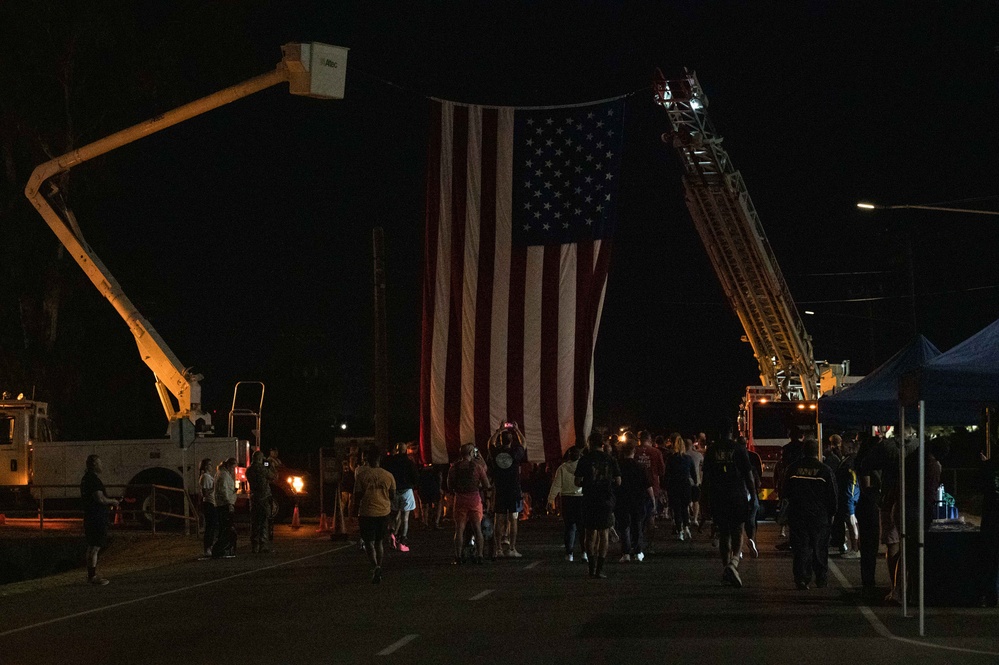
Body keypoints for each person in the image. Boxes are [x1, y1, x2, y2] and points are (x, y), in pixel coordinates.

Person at [784, 437, 837, 590]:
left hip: (798, 514)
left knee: (801, 548)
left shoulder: (793, 469)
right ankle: (821, 578)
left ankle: (801, 578)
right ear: (817, 452)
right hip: (819, 516)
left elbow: (785, 491)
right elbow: (833, 495)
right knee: (820, 548)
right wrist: (832, 513)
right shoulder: (825, 470)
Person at [702, 432, 755, 588]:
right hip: (737, 494)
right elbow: (748, 475)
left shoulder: (712, 450)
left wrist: (704, 500)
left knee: (724, 532)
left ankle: (726, 568)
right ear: (731, 431)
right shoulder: (739, 449)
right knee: (738, 530)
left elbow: (706, 478)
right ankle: (734, 562)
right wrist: (753, 495)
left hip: (718, 495)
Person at [575, 430, 621, 579]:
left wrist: (586, 482)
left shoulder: (585, 459)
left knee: (590, 534)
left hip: (589, 499)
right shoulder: (610, 459)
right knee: (604, 533)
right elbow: (619, 480)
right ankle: (600, 568)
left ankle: (591, 568)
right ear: (602, 444)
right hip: (606, 499)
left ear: (590, 443)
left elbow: (577, 481)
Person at [353, 446, 396, 583]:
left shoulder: (361, 475)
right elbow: (393, 495)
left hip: (366, 512)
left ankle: (375, 566)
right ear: (379, 460)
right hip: (383, 512)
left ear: (368, 460)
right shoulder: (388, 475)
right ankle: (379, 565)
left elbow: (357, 495)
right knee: (379, 542)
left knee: (368, 542)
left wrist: (354, 512)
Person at [448, 443, 491, 564]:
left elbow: (449, 485)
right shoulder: (477, 467)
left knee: (459, 529)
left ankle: (458, 556)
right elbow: (487, 484)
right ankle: (480, 555)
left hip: (460, 499)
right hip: (474, 500)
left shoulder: (453, 467)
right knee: (477, 528)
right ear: (472, 453)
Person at [488, 422, 527, 558]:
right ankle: (511, 548)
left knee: (498, 519)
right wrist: (517, 430)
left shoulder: (496, 452)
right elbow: (524, 443)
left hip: (500, 489)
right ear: (511, 441)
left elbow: (490, 444)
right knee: (513, 519)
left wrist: (498, 431)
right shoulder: (515, 453)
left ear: (500, 441)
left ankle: (498, 549)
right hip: (514, 490)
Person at [81, 454, 120, 585]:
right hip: (96, 517)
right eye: (100, 463)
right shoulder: (94, 480)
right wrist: (113, 501)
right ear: (94, 465)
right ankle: (92, 577)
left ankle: (90, 574)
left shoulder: (85, 479)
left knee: (91, 545)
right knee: (95, 547)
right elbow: (100, 498)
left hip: (89, 516)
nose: (101, 465)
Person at [854, 432, 884, 600]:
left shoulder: (867, 463)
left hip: (867, 507)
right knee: (869, 546)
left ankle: (868, 580)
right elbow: (867, 488)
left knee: (869, 546)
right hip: (868, 507)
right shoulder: (866, 465)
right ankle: (868, 582)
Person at [615, 436, 654, 562]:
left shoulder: (618, 465)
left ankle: (626, 552)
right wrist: (652, 499)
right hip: (638, 499)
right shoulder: (640, 467)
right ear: (634, 452)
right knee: (637, 525)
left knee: (624, 526)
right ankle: (638, 551)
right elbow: (648, 485)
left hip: (622, 498)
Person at [548, 446, 584, 561]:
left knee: (569, 527)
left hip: (567, 499)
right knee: (582, 528)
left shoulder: (562, 468)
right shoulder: (582, 467)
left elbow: (556, 485)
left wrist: (550, 499)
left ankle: (569, 553)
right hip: (581, 498)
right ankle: (584, 552)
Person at [383, 443, 419, 552]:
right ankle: (402, 540)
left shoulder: (391, 462)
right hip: (406, 491)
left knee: (394, 515)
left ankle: (392, 532)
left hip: (394, 491)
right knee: (405, 518)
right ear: (405, 451)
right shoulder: (409, 462)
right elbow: (415, 477)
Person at [634, 430, 665, 545]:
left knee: (637, 516)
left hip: (636, 488)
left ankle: (637, 542)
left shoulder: (635, 452)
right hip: (653, 487)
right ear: (650, 439)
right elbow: (662, 471)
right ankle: (650, 543)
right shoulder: (656, 452)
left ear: (639, 440)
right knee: (651, 515)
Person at [666, 434, 696, 541]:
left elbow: (667, 474)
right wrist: (695, 484)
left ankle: (680, 530)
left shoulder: (671, 459)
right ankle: (686, 526)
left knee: (676, 509)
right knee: (684, 507)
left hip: (674, 485)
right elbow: (693, 474)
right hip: (685, 484)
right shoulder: (688, 459)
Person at [246, 450, 277, 554]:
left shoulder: (249, 470)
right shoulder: (262, 469)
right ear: (260, 458)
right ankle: (263, 545)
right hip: (264, 497)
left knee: (254, 522)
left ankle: (254, 546)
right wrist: (271, 465)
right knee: (264, 522)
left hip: (254, 498)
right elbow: (274, 476)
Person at [980, 450, 999, 607]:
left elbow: (979, 487)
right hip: (991, 518)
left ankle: (990, 596)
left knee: (990, 559)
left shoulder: (988, 466)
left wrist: (985, 464)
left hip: (991, 518)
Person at [739, 436, 763, 557]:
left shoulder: (735, 457)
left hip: (738, 493)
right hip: (751, 492)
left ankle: (739, 548)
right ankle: (752, 540)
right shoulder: (754, 456)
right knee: (752, 520)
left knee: (738, 522)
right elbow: (759, 473)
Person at [212, 458, 238, 559]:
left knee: (225, 528)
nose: (233, 469)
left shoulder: (221, 473)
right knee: (227, 528)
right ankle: (220, 549)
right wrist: (229, 503)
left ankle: (222, 549)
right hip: (224, 505)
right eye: (233, 467)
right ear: (228, 466)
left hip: (222, 504)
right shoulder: (223, 475)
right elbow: (223, 490)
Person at [199, 457, 218, 557]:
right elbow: (205, 493)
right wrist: (214, 487)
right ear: (206, 466)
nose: (212, 466)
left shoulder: (208, 476)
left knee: (213, 526)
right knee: (210, 527)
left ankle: (210, 546)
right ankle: (207, 547)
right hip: (209, 503)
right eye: (210, 464)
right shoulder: (205, 477)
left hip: (212, 502)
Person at [418, 462, 444, 529]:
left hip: (424, 487)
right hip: (434, 487)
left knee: (425, 505)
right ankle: (436, 523)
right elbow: (440, 476)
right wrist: (440, 487)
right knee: (438, 504)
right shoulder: (437, 466)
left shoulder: (420, 466)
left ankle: (425, 523)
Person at [687, 434, 706, 526]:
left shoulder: (683, 455)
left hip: (685, 481)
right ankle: (695, 519)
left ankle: (687, 518)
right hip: (696, 480)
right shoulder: (698, 455)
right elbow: (703, 465)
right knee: (696, 501)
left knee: (686, 500)